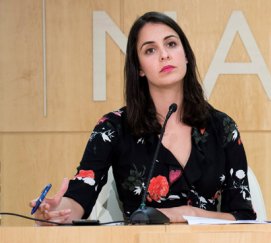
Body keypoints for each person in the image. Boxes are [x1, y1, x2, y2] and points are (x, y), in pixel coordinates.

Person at [30, 12, 256, 224]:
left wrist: (188, 213)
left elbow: (243, 216)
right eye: (150, 50)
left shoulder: (222, 127)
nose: (164, 54)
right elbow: (81, 196)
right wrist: (57, 212)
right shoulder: (113, 128)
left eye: (171, 44)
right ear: (139, 68)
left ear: (185, 55)